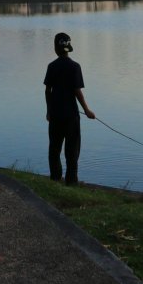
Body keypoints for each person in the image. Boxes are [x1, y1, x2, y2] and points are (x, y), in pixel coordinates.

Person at [44, 32, 95, 186]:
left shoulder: (52, 66)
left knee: (54, 149)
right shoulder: (75, 66)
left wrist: (48, 110)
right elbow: (77, 91)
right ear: (69, 48)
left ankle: (55, 178)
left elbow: (48, 91)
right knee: (72, 151)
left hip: (55, 115)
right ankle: (71, 182)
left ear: (55, 48)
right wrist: (87, 110)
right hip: (71, 115)